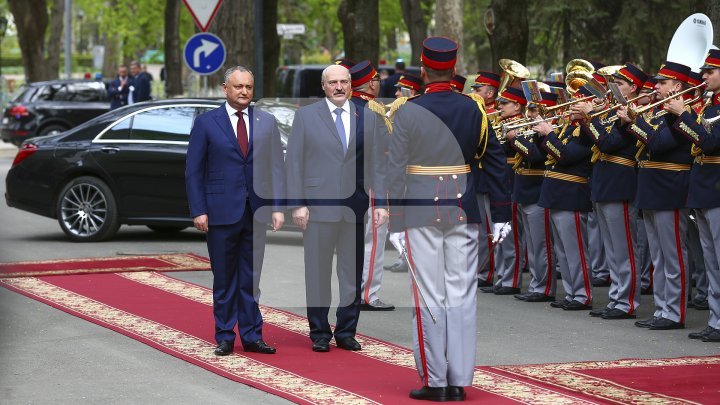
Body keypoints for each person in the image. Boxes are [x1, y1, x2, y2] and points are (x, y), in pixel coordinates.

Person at [386, 37, 509, 402]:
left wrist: (394, 221)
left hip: (421, 209)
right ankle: (457, 379)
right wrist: (501, 213)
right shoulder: (475, 108)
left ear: (423, 70)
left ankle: (435, 381)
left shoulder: (407, 110)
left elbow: (394, 170)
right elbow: (495, 161)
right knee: (461, 294)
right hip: (463, 207)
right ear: (454, 69)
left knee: (428, 296)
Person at [185, 66, 286, 356]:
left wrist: (278, 207)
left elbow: (276, 168)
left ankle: (253, 335)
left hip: (256, 211)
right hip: (219, 212)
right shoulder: (207, 123)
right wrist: (199, 210)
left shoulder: (266, 122)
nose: (244, 92)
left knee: (250, 278)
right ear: (225, 88)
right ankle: (225, 336)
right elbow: (194, 171)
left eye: (249, 87)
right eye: (238, 86)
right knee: (225, 277)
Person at [286, 64, 386, 353]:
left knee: (351, 273)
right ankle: (319, 331)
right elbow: (294, 162)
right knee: (317, 272)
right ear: (324, 86)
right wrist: (298, 204)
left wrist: (379, 202)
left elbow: (376, 163)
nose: (339, 87)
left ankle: (346, 331)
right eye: (333, 82)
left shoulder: (366, 116)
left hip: (354, 207)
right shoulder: (306, 116)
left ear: (352, 85)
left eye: (344, 81)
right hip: (317, 207)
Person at [574, 63, 647, 320]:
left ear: (633, 88)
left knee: (624, 247)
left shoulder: (634, 113)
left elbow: (609, 142)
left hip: (620, 182)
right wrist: (582, 120)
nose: (613, 87)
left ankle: (626, 302)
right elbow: (587, 142)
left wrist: (591, 117)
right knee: (612, 249)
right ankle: (617, 298)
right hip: (603, 182)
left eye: (621, 83)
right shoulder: (611, 112)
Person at [625, 61, 694, 330]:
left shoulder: (683, 114)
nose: (656, 87)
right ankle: (662, 308)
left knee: (673, 255)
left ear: (677, 87)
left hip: (670, 187)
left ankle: (674, 312)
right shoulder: (663, 113)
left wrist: (635, 122)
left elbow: (660, 144)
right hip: (652, 187)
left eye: (663, 83)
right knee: (658, 256)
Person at [672, 49, 720, 341]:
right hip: (702, 186)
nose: (703, 77)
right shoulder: (707, 105)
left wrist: (686, 115)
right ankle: (715, 320)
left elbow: (712, 143)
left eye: (709, 72)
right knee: (711, 260)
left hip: (716, 186)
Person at [534, 85, 595, 311]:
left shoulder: (585, 132)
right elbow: (547, 153)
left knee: (576, 249)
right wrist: (543, 133)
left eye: (576, 103)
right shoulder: (569, 129)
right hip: (556, 191)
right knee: (562, 250)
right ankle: (571, 292)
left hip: (572, 192)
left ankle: (582, 294)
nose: (570, 107)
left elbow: (566, 156)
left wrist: (549, 133)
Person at [348, 60, 395, 311]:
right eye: (376, 79)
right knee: (374, 240)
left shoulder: (346, 107)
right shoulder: (373, 110)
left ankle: (354, 290)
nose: (379, 83)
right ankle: (368, 293)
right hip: (374, 183)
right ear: (369, 83)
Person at [509, 90, 558, 303]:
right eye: (529, 109)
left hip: (537, 189)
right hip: (524, 189)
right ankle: (537, 284)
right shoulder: (530, 130)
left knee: (541, 245)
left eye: (533, 109)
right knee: (532, 243)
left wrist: (515, 140)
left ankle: (544, 287)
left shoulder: (549, 131)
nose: (529, 114)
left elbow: (536, 156)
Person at [479, 86, 527, 295]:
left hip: (511, 179)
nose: (500, 107)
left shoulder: (523, 124)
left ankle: (512, 279)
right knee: (495, 233)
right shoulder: (500, 123)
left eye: (504, 104)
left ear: (517, 105)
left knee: (510, 234)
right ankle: (502, 276)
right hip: (495, 180)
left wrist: (512, 138)